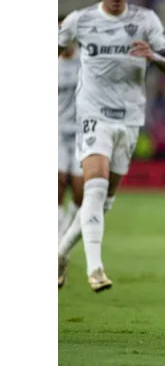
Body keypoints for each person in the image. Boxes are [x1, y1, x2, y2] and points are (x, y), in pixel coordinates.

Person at [57, 0, 165, 292]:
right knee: (94, 189)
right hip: (92, 116)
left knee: (104, 201)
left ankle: (59, 253)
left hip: (128, 120)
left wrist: (154, 57)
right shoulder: (80, 21)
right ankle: (95, 268)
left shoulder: (145, 20)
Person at [58, 14, 84, 242]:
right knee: (57, 182)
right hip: (55, 132)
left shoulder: (84, 61)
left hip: (80, 133)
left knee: (79, 192)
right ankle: (57, 235)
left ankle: (66, 226)